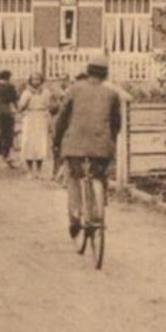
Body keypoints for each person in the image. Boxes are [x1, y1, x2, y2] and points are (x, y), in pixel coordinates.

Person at [51, 52, 122, 240]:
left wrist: (57, 141)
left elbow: (62, 118)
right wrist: (110, 142)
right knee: (99, 175)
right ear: (105, 74)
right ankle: (98, 210)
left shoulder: (74, 89)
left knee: (74, 178)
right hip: (101, 145)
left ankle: (75, 215)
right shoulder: (112, 94)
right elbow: (116, 123)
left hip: (74, 144)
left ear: (88, 71)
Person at [17, 72, 51, 179]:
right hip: (30, 117)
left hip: (41, 118)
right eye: (33, 79)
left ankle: (39, 171)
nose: (36, 81)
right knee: (29, 143)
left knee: (40, 143)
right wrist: (24, 109)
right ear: (30, 81)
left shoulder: (46, 92)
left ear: (41, 80)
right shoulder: (26, 92)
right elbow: (20, 107)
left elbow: (49, 105)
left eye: (38, 79)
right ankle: (30, 171)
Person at [0, 68, 20, 166]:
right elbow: (14, 99)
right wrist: (18, 109)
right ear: (8, 77)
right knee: (8, 132)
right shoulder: (10, 86)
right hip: (6, 111)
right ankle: (5, 153)